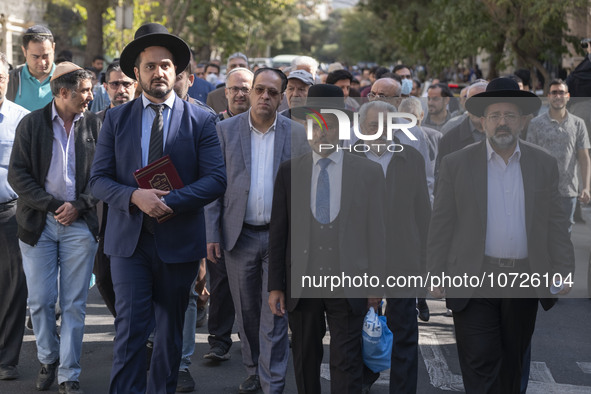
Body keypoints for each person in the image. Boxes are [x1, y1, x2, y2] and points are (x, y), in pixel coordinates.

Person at [89, 23, 226, 394]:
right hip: (128, 243)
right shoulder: (115, 120)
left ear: (177, 71)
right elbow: (97, 180)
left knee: (168, 334)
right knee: (131, 330)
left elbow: (216, 180)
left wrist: (168, 202)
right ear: (137, 73)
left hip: (178, 242)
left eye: (166, 65)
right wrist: (136, 198)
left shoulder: (202, 120)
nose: (159, 72)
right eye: (150, 66)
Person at [428, 77, 574, 393]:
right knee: (480, 358)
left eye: (509, 115)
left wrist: (563, 269)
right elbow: (442, 223)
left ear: (522, 120)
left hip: (523, 278)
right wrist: (436, 272)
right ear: (483, 120)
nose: (502, 122)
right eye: (495, 115)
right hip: (473, 277)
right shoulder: (457, 164)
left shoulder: (543, 163)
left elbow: (555, 223)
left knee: (513, 362)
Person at [268, 84, 386, 394]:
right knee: (305, 356)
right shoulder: (289, 172)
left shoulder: (367, 172)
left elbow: (377, 232)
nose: (322, 132)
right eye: (314, 124)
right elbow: (279, 232)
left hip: (349, 281)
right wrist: (276, 285)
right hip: (302, 281)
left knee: (346, 360)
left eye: (330, 124)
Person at [205, 67, 309, 393]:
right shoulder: (224, 131)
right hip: (239, 235)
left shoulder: (297, 134)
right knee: (247, 314)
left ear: (282, 98)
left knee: (274, 315)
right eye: (259, 90)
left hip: (281, 240)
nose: (265, 97)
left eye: (272, 92)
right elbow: (213, 189)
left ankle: (271, 382)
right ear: (250, 93)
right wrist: (211, 233)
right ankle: (253, 368)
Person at [8, 62, 100, 394]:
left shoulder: (95, 125)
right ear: (63, 93)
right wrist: (50, 205)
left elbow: (104, 177)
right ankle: (49, 358)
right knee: (41, 300)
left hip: (79, 224)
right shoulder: (31, 124)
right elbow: (16, 174)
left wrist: (80, 205)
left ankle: (69, 374)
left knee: (74, 303)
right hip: (38, 223)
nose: (91, 96)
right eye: (85, 91)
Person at [353, 99, 431, 394]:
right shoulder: (347, 158)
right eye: (373, 125)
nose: (380, 130)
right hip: (359, 261)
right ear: (361, 127)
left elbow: (423, 213)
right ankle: (360, 382)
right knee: (357, 330)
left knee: (404, 334)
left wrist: (426, 263)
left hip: (403, 258)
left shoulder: (411, 158)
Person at [93, 61, 138, 318]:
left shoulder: (147, 118)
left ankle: (136, 330)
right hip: (101, 213)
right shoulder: (91, 123)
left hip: (136, 209)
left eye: (126, 84)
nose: (121, 89)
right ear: (106, 87)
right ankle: (125, 322)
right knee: (103, 278)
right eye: (115, 84)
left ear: (136, 85)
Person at [0, 51, 30, 382]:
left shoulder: (22, 118)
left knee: (12, 287)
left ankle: (6, 358)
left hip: (9, 214)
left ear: (9, 79)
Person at [7, 25, 56, 111]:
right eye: (35, 57)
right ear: (24, 51)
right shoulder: (10, 81)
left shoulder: (66, 80)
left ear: (53, 48)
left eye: (46, 56)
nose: (42, 62)